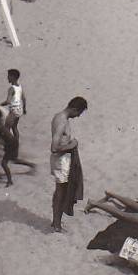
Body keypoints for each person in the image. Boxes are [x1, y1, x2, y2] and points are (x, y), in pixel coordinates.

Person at [51, 96, 88, 233]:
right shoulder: (62, 122)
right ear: (74, 109)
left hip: (60, 161)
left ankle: (55, 221)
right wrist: (72, 144)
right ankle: (56, 225)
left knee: (59, 192)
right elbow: (54, 147)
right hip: (61, 161)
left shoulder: (58, 116)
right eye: (78, 113)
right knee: (61, 192)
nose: (78, 116)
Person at [1, 69, 26, 144]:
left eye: (8, 76)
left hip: (13, 111)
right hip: (19, 110)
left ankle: (8, 144)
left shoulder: (11, 89)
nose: (7, 78)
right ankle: (16, 143)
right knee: (14, 127)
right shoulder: (19, 87)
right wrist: (24, 109)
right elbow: (24, 99)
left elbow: (8, 101)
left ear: (13, 77)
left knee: (6, 129)